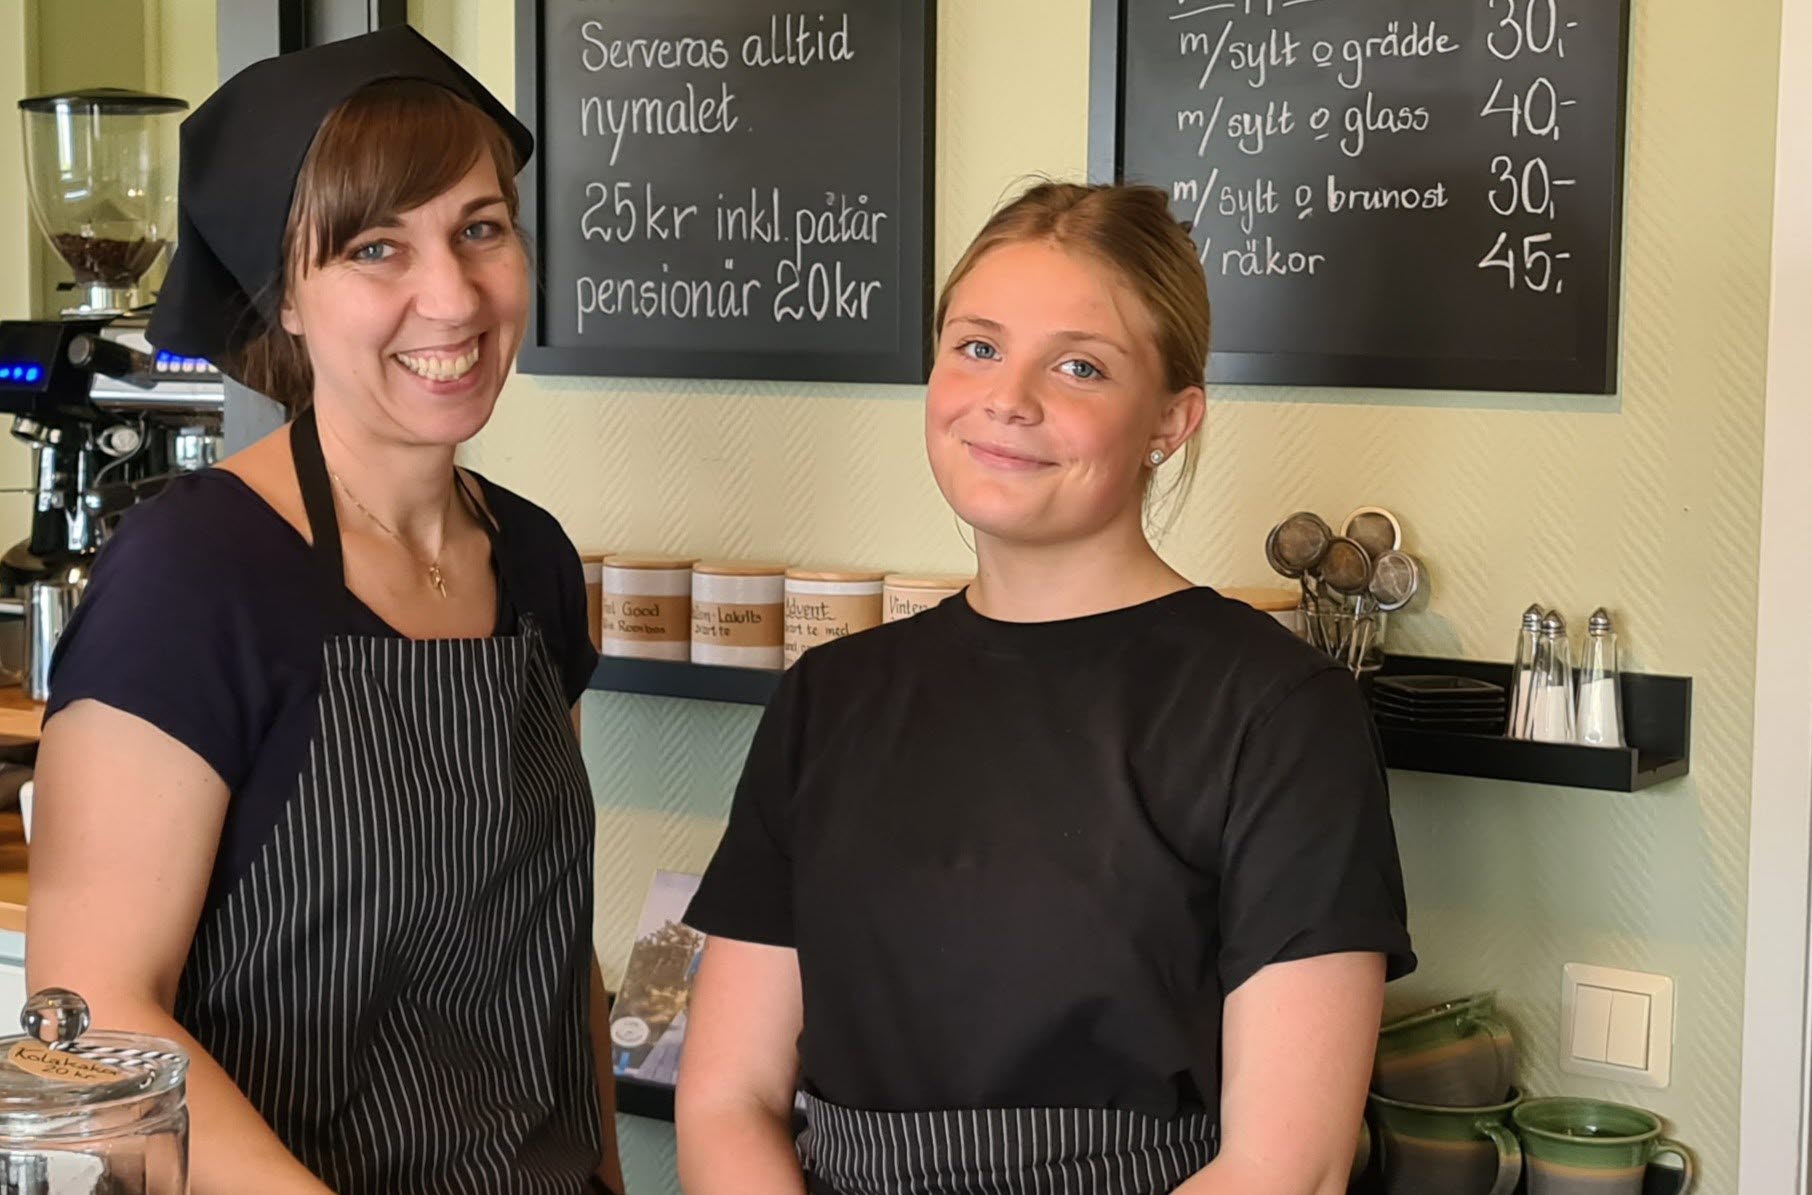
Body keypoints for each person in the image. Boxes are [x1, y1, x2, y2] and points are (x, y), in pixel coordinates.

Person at [675, 182, 1414, 1195]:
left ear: (1170, 419)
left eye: (1079, 365)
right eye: (977, 346)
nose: (1008, 398)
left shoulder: (1279, 713)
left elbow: (1290, 1165)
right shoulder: (828, 698)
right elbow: (728, 1102)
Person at [27, 28, 624, 1195]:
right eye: (374, 247)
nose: (451, 295)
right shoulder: (197, 573)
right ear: (286, 296)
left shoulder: (534, 560)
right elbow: (86, 1025)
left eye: (482, 229)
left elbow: (551, 954)